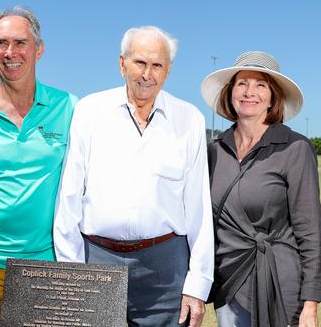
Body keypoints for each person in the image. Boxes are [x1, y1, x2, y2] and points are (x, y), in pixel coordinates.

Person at [54, 26, 213, 327]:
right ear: (122, 63)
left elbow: (199, 209)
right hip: (97, 259)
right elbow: (70, 197)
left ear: (168, 70)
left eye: (157, 65)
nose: (147, 74)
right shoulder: (89, 111)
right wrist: (71, 273)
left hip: (165, 269)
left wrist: (197, 285)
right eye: (140, 62)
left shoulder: (190, 119)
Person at [0, 6, 76, 318]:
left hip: (46, 265)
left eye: (20, 42)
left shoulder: (70, 107)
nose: (10, 53)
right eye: (0, 43)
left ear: (39, 49)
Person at [201, 51, 321, 326]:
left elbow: (311, 230)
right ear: (230, 92)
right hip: (230, 283)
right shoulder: (214, 151)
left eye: (260, 85)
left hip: (280, 283)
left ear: (273, 97)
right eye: (242, 83)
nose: (250, 92)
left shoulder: (294, 148)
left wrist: (311, 302)